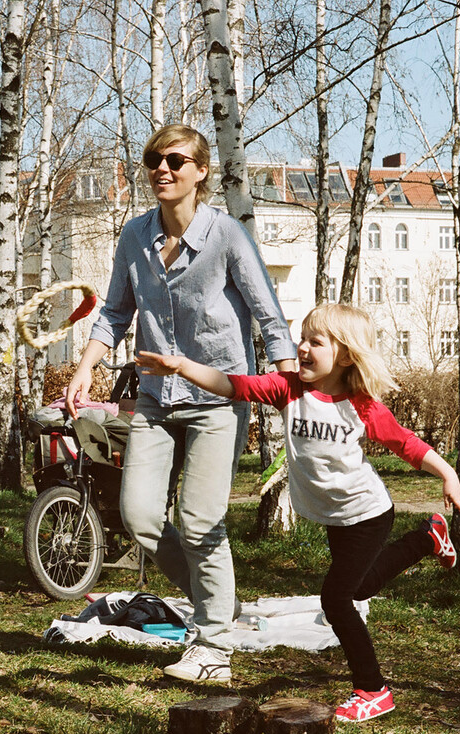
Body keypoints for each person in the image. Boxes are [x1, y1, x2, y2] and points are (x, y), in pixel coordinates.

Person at [136, 303, 460, 720]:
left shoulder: (363, 406)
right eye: (302, 338)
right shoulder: (289, 389)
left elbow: (407, 445)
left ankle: (373, 690)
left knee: (336, 598)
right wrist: (182, 366)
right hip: (334, 517)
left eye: (316, 341)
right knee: (360, 587)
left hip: (367, 513)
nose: (303, 347)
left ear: (344, 354)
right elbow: (232, 385)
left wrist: (448, 473)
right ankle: (427, 537)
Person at [65, 124, 296, 684]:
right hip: (156, 397)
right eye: (153, 160)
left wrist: (291, 385)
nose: (161, 169)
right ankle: (216, 600)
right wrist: (86, 365)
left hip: (218, 395)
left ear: (200, 172)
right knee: (139, 514)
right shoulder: (134, 235)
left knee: (198, 518)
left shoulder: (227, 236)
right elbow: (115, 312)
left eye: (175, 160)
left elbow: (268, 314)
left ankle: (213, 645)